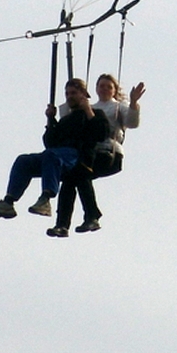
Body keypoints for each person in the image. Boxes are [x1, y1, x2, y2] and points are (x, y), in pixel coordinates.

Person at [0, 78, 108, 220]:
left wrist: (88, 110)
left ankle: (46, 198)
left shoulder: (95, 114)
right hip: (57, 156)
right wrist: (51, 120)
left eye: (73, 93)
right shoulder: (65, 120)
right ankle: (9, 201)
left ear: (83, 94)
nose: (69, 97)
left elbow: (101, 133)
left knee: (51, 155)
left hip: (77, 156)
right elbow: (50, 143)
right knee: (24, 160)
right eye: (67, 94)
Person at [46, 73, 145, 237]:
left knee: (80, 172)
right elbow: (71, 126)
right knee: (72, 179)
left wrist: (134, 102)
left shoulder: (118, 107)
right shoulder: (88, 106)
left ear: (114, 90)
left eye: (109, 86)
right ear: (96, 89)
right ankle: (63, 224)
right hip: (89, 153)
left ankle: (91, 216)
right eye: (101, 86)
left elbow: (132, 123)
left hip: (108, 152)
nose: (104, 89)